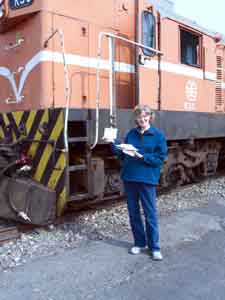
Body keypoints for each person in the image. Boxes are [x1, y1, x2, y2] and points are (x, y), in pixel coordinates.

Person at [111, 104, 167, 260]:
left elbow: (160, 158)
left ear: (150, 117)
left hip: (147, 179)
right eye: (139, 117)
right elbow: (123, 155)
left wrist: (143, 157)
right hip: (130, 178)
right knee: (133, 213)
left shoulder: (158, 136)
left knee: (150, 214)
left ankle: (154, 247)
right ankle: (139, 243)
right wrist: (113, 144)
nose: (142, 119)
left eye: (144, 117)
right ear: (135, 118)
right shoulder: (131, 134)